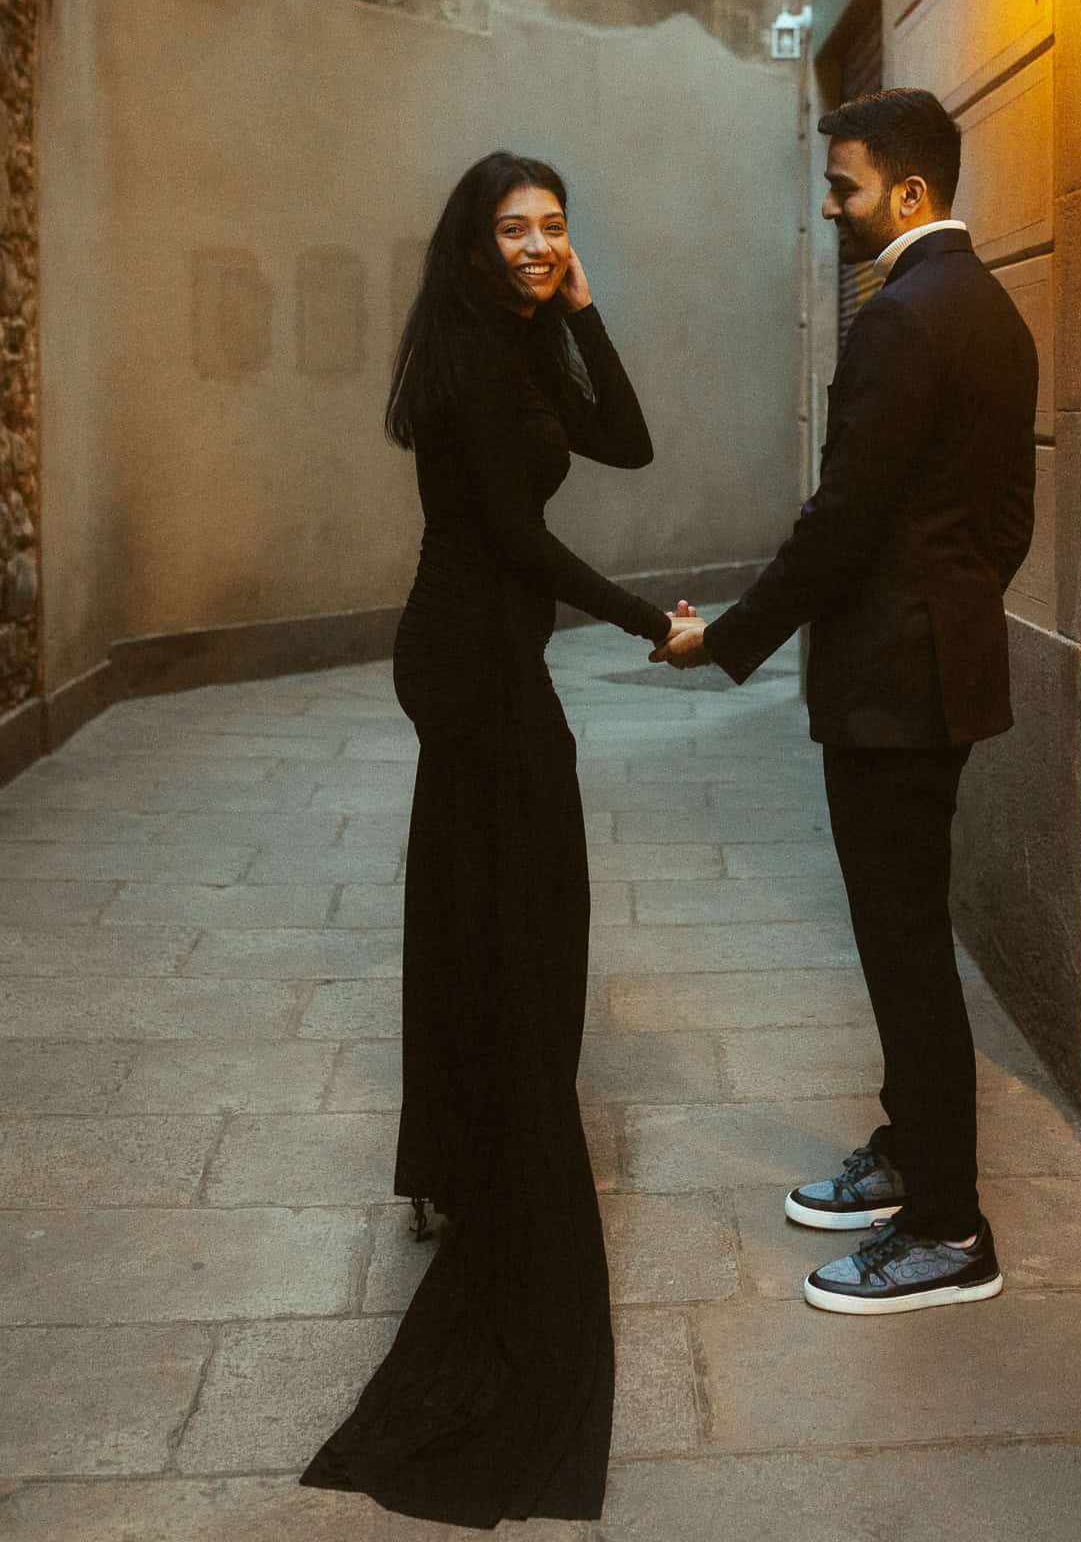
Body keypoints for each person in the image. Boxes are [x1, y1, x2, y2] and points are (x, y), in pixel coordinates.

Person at [302, 151, 679, 1527]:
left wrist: (582, 306)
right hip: (470, 660)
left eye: (554, 228)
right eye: (516, 229)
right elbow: (519, 546)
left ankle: (452, 1154)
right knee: (514, 910)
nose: (535, 245)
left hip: (486, 658)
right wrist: (656, 623)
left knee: (476, 913)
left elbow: (627, 441)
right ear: (472, 242)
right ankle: (477, 1150)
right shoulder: (465, 367)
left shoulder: (522, 343)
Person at [656, 87, 1038, 1316]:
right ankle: (913, 1151)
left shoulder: (901, 320)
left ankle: (947, 1227)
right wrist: (952, 615)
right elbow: (1002, 524)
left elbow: (842, 521)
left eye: (846, 186)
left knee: (905, 945)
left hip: (887, 691)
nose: (831, 206)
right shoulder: (995, 312)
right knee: (907, 931)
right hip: (939, 674)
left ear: (910, 193)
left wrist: (731, 637)